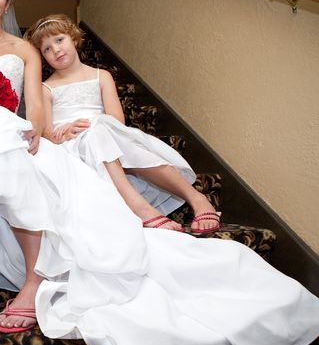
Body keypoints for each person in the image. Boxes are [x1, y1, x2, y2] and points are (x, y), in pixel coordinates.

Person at [0, 0, 319, 345]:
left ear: (8, 3)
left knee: (21, 167)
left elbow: (36, 108)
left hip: (12, 128)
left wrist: (33, 132)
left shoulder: (24, 50)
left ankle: (33, 281)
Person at [24, 14, 218, 233]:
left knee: (102, 133)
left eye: (59, 40)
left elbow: (117, 120)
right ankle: (140, 208)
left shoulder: (102, 76)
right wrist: (67, 131)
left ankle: (197, 198)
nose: (56, 50)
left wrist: (94, 125)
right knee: (96, 135)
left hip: (109, 136)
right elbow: (48, 134)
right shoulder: (46, 88)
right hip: (73, 149)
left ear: (73, 38)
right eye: (47, 49)